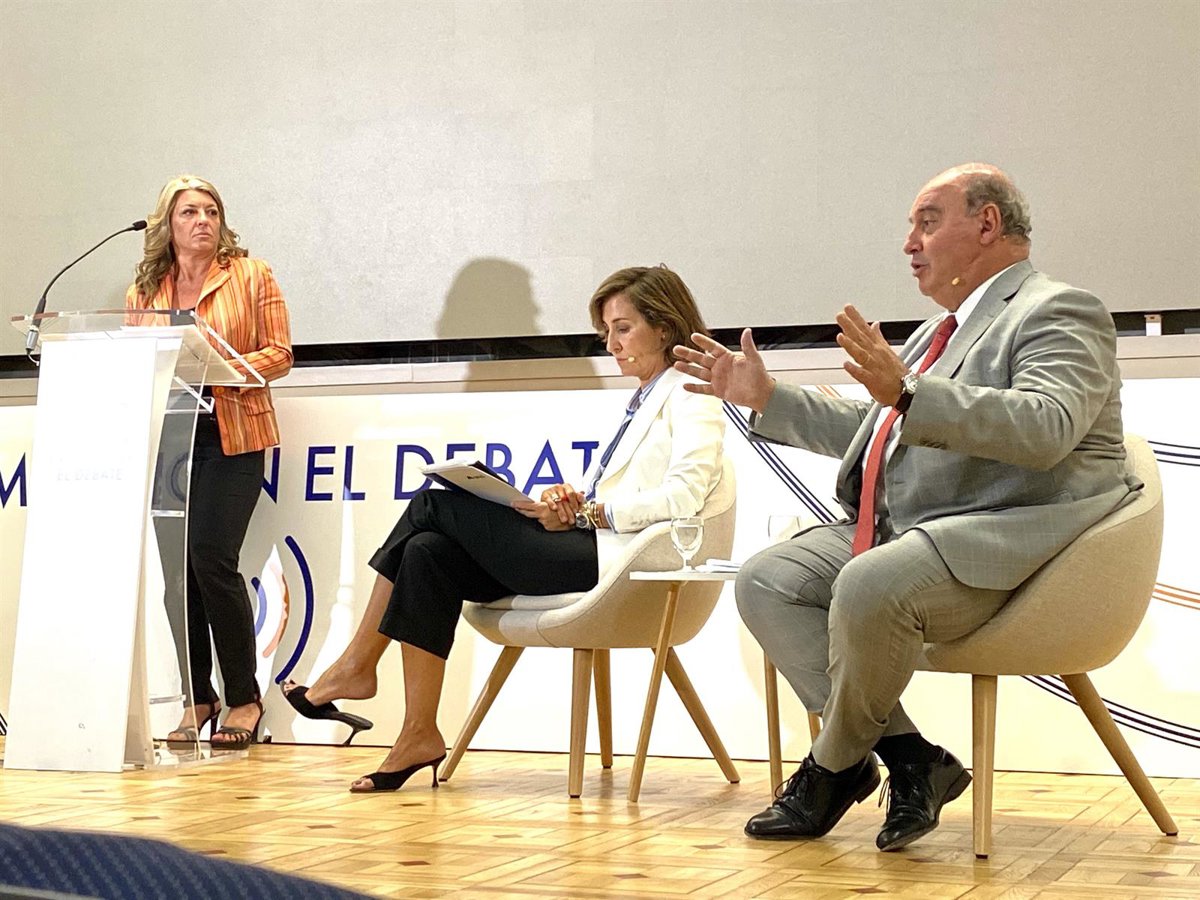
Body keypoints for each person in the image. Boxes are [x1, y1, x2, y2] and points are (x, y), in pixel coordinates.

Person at [673, 163, 1139, 850]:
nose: (908, 243)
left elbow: (1048, 426)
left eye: (927, 222)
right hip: (919, 528)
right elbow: (880, 430)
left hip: (1008, 534)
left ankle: (831, 770)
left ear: (987, 223)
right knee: (768, 580)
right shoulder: (935, 333)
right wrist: (766, 398)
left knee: (870, 582)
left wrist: (911, 392)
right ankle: (911, 757)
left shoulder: (1060, 310)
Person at [282, 265, 725, 792]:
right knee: (427, 552)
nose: (611, 345)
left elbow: (683, 498)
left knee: (431, 505)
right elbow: (617, 493)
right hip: (587, 541)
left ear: (665, 328)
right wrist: (569, 502)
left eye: (623, 329)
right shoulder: (643, 399)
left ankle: (358, 663)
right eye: (606, 331)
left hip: (618, 562)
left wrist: (590, 513)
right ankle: (419, 732)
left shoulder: (692, 393)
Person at [126, 175, 293, 749]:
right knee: (177, 573)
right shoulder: (144, 291)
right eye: (189, 212)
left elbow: (280, 354)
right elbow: (136, 359)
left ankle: (244, 697)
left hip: (233, 433)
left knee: (210, 558)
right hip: (169, 438)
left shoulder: (251, 274)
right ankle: (198, 697)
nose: (202, 220)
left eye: (211, 211)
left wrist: (226, 368)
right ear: (167, 225)